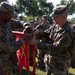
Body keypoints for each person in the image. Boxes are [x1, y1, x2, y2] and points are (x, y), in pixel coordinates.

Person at [31, 5, 74, 75]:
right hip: (50, 64)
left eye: (55, 16)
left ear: (63, 17)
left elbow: (55, 49)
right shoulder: (55, 26)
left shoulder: (68, 32)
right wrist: (38, 32)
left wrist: (37, 43)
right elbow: (47, 34)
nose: (53, 18)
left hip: (59, 68)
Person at [0, 1, 33, 75]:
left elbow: (19, 23)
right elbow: (9, 47)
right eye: (9, 14)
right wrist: (24, 40)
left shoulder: (7, 21)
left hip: (8, 63)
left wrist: (26, 25)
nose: (11, 16)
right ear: (2, 13)